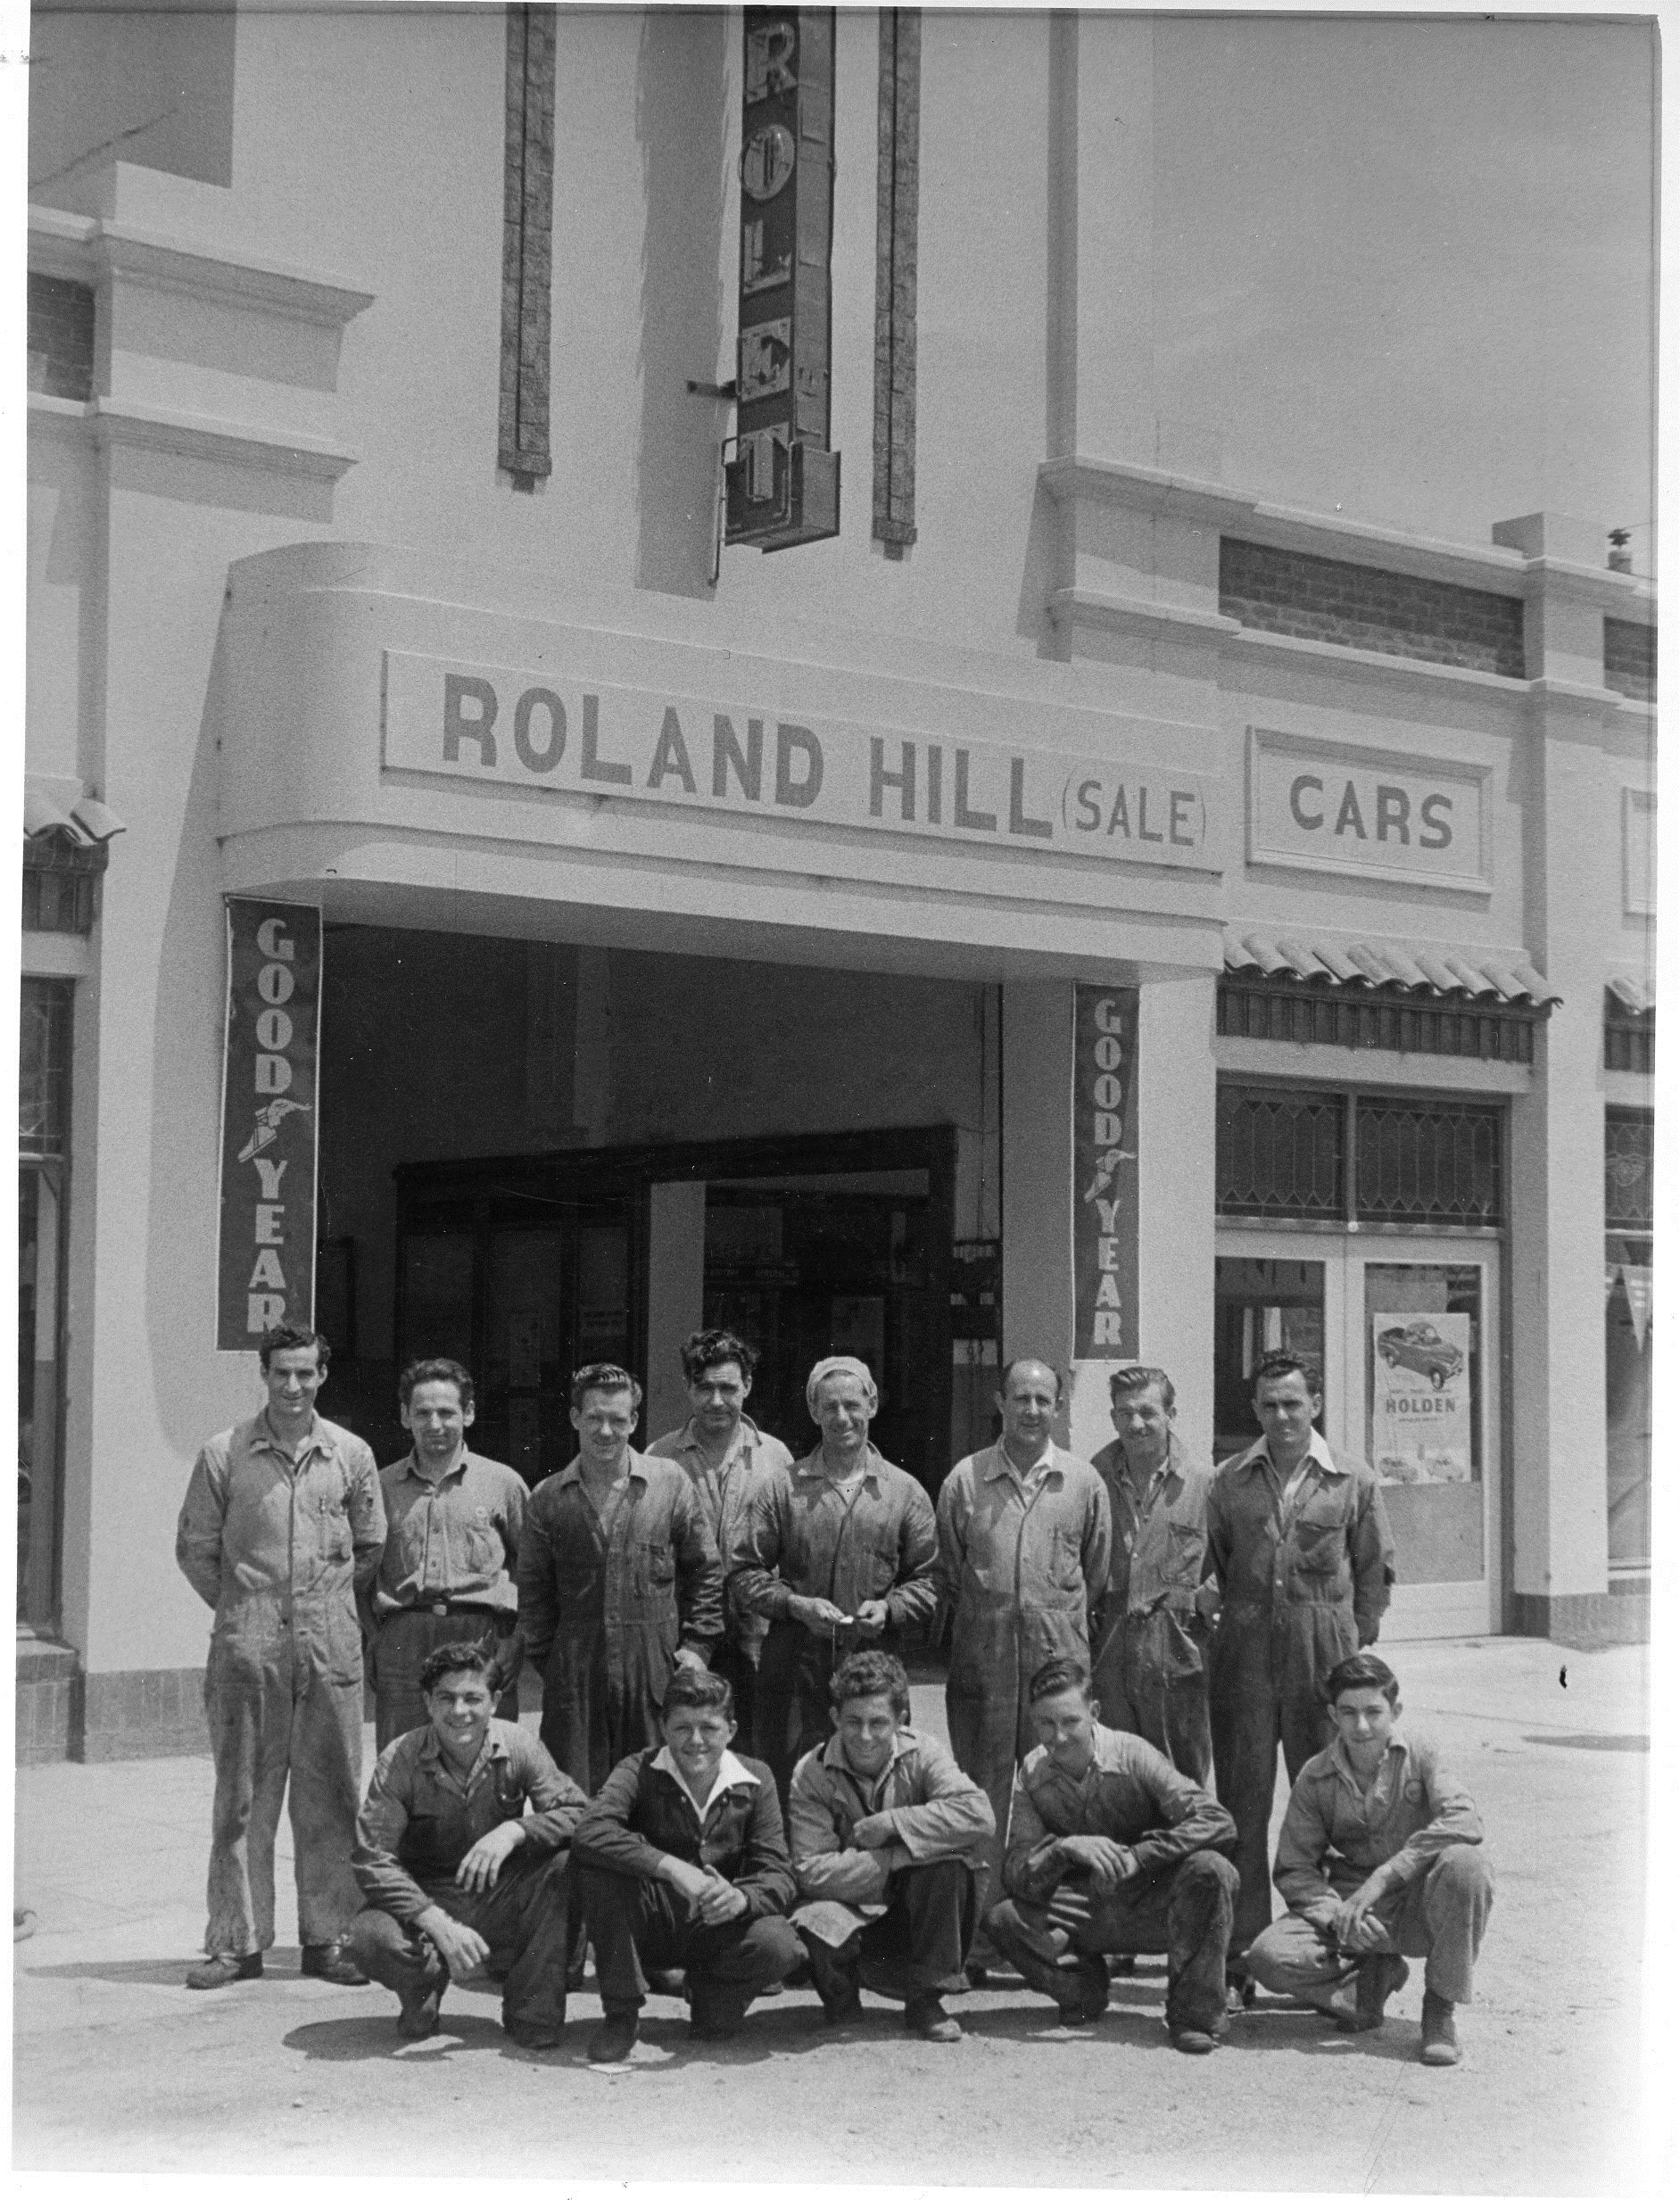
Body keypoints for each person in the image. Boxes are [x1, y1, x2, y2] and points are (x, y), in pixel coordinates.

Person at [175, 1325, 385, 1989]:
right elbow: (196, 1549)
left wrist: (323, 1606)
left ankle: (328, 1938)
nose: (292, 1387)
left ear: (323, 1375)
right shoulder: (224, 1454)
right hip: (249, 1648)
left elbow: (370, 1545)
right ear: (263, 1376)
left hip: (329, 1649)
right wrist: (245, 1610)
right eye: (280, 1374)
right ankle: (237, 1943)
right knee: (243, 1800)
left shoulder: (350, 1454)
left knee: (331, 1797)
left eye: (305, 1374)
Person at [1204, 1349, 1395, 1973]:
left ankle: (1340, 1946)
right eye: (1268, 1404)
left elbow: (1372, 1573)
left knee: (1334, 1805)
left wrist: (1346, 1644)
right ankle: (1241, 1951)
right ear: (1254, 1409)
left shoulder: (1352, 1480)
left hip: (1323, 1665)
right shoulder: (1228, 1480)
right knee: (1243, 1805)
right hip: (1246, 1663)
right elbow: (1219, 1564)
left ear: (1314, 1404)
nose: (1281, 1415)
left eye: (1292, 1402)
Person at [933, 1357, 1111, 1966]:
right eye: (1020, 1398)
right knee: (984, 1798)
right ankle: (981, 1938)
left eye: (1042, 1399)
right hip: (982, 1664)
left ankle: (1063, 1938)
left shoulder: (1083, 1483)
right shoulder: (965, 1480)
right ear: (999, 1402)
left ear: (1058, 1407)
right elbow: (948, 1574)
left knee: (1061, 1797)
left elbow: (1097, 1574)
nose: (1031, 1410)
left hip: (1056, 1667)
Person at [1245, 1652, 1492, 2066]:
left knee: (1467, 1867)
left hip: (1418, 1901)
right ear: (1332, 1715)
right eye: (1349, 1713)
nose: (1361, 1726)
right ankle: (1367, 1986)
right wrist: (1337, 1916)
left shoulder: (1421, 1754)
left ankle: (1439, 2010)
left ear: (1394, 1711)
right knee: (1267, 1957)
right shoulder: (1315, 1775)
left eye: (1374, 1712)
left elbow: (1465, 1818)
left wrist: (1386, 1875)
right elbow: (1295, 1868)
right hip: (1355, 1906)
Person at [985, 1658, 1239, 2053]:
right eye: (1045, 1724)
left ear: (1094, 1713)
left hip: (1155, 1903)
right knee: (1004, 1919)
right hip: (1090, 1909)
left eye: (1070, 1721)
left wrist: (1141, 1855)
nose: (1059, 1737)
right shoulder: (1033, 1775)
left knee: (1212, 1870)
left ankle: (1193, 2013)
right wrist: (1064, 1850)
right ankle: (1082, 1990)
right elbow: (1015, 1870)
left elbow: (1217, 1820)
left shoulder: (1133, 1754)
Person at [347, 1640, 588, 2049]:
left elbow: (580, 1813)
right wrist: (436, 1921)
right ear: (427, 1702)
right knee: (368, 1937)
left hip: (499, 1892)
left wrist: (516, 1831)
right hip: (428, 1897)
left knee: (565, 1867)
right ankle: (423, 1987)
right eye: (447, 1698)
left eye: (472, 1698)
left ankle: (531, 2009)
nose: (460, 1712)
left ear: (494, 1701)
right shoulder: (400, 1759)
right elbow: (373, 1858)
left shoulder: (517, 1744)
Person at [730, 1355, 938, 1802]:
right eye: (829, 1407)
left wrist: (890, 1608)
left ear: (872, 1404)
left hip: (873, 1665)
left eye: (851, 1405)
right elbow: (744, 1572)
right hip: (795, 1666)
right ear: (814, 1412)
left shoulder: (903, 1491)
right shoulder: (781, 1489)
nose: (842, 1418)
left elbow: (931, 1579)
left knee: (878, 1788)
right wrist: (794, 1605)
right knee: (789, 1786)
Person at [571, 1667, 805, 2062]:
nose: (696, 1741)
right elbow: (590, 1830)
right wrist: (674, 1869)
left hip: (716, 1923)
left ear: (730, 1729)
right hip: (651, 1920)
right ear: (663, 1728)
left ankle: (708, 1992)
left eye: (709, 1728)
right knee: (599, 1871)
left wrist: (741, 1899)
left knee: (781, 1946)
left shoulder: (756, 1777)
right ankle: (621, 2013)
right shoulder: (639, 1769)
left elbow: (777, 1871)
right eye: (681, 1728)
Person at [516, 1362, 724, 1793]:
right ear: (575, 1418)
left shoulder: (669, 1483)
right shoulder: (548, 1498)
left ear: (634, 1421)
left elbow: (705, 1569)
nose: (605, 1431)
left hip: (654, 1666)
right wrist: (556, 1664)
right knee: (573, 1795)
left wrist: (697, 1647)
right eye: (594, 1417)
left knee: (655, 1791)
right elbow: (534, 1597)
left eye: (617, 1419)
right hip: (577, 1672)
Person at [787, 1649, 993, 2043]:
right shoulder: (810, 1772)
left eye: (878, 1722)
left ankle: (926, 1999)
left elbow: (979, 1814)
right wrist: (897, 1859)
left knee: (949, 1868)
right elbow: (811, 1870)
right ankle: (840, 1996)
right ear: (835, 1719)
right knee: (816, 1916)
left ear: (900, 1721)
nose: (865, 1736)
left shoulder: (923, 1752)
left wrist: (894, 1823)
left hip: (907, 1910)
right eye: (853, 1721)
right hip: (845, 1908)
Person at [367, 1359, 526, 1750]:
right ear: (405, 1416)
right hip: (405, 1638)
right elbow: (362, 1571)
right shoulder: (380, 1486)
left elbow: (535, 1570)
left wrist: (516, 1639)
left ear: (468, 1413)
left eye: (446, 1412)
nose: (435, 1424)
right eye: (422, 1413)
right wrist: (374, 1640)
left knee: (487, 1760)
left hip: (480, 1637)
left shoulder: (502, 1483)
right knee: (402, 1760)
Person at [646, 1328, 794, 1751]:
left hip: (758, 1633)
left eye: (728, 1388)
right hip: (686, 1634)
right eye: (704, 1387)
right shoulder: (660, 1458)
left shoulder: (776, 1458)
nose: (716, 1401)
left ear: (747, 1386)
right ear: (687, 1388)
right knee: (689, 1746)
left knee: (757, 1747)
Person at [1088, 1365, 1216, 1782]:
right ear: (1112, 1418)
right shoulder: (1093, 1478)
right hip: (1110, 1657)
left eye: (1147, 1412)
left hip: (1179, 1662)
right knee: (1116, 1779)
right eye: (1124, 1413)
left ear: (1170, 1414)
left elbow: (1232, 1565)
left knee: (1182, 1782)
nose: (1136, 1423)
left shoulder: (1204, 1484)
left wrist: (1209, 1596)